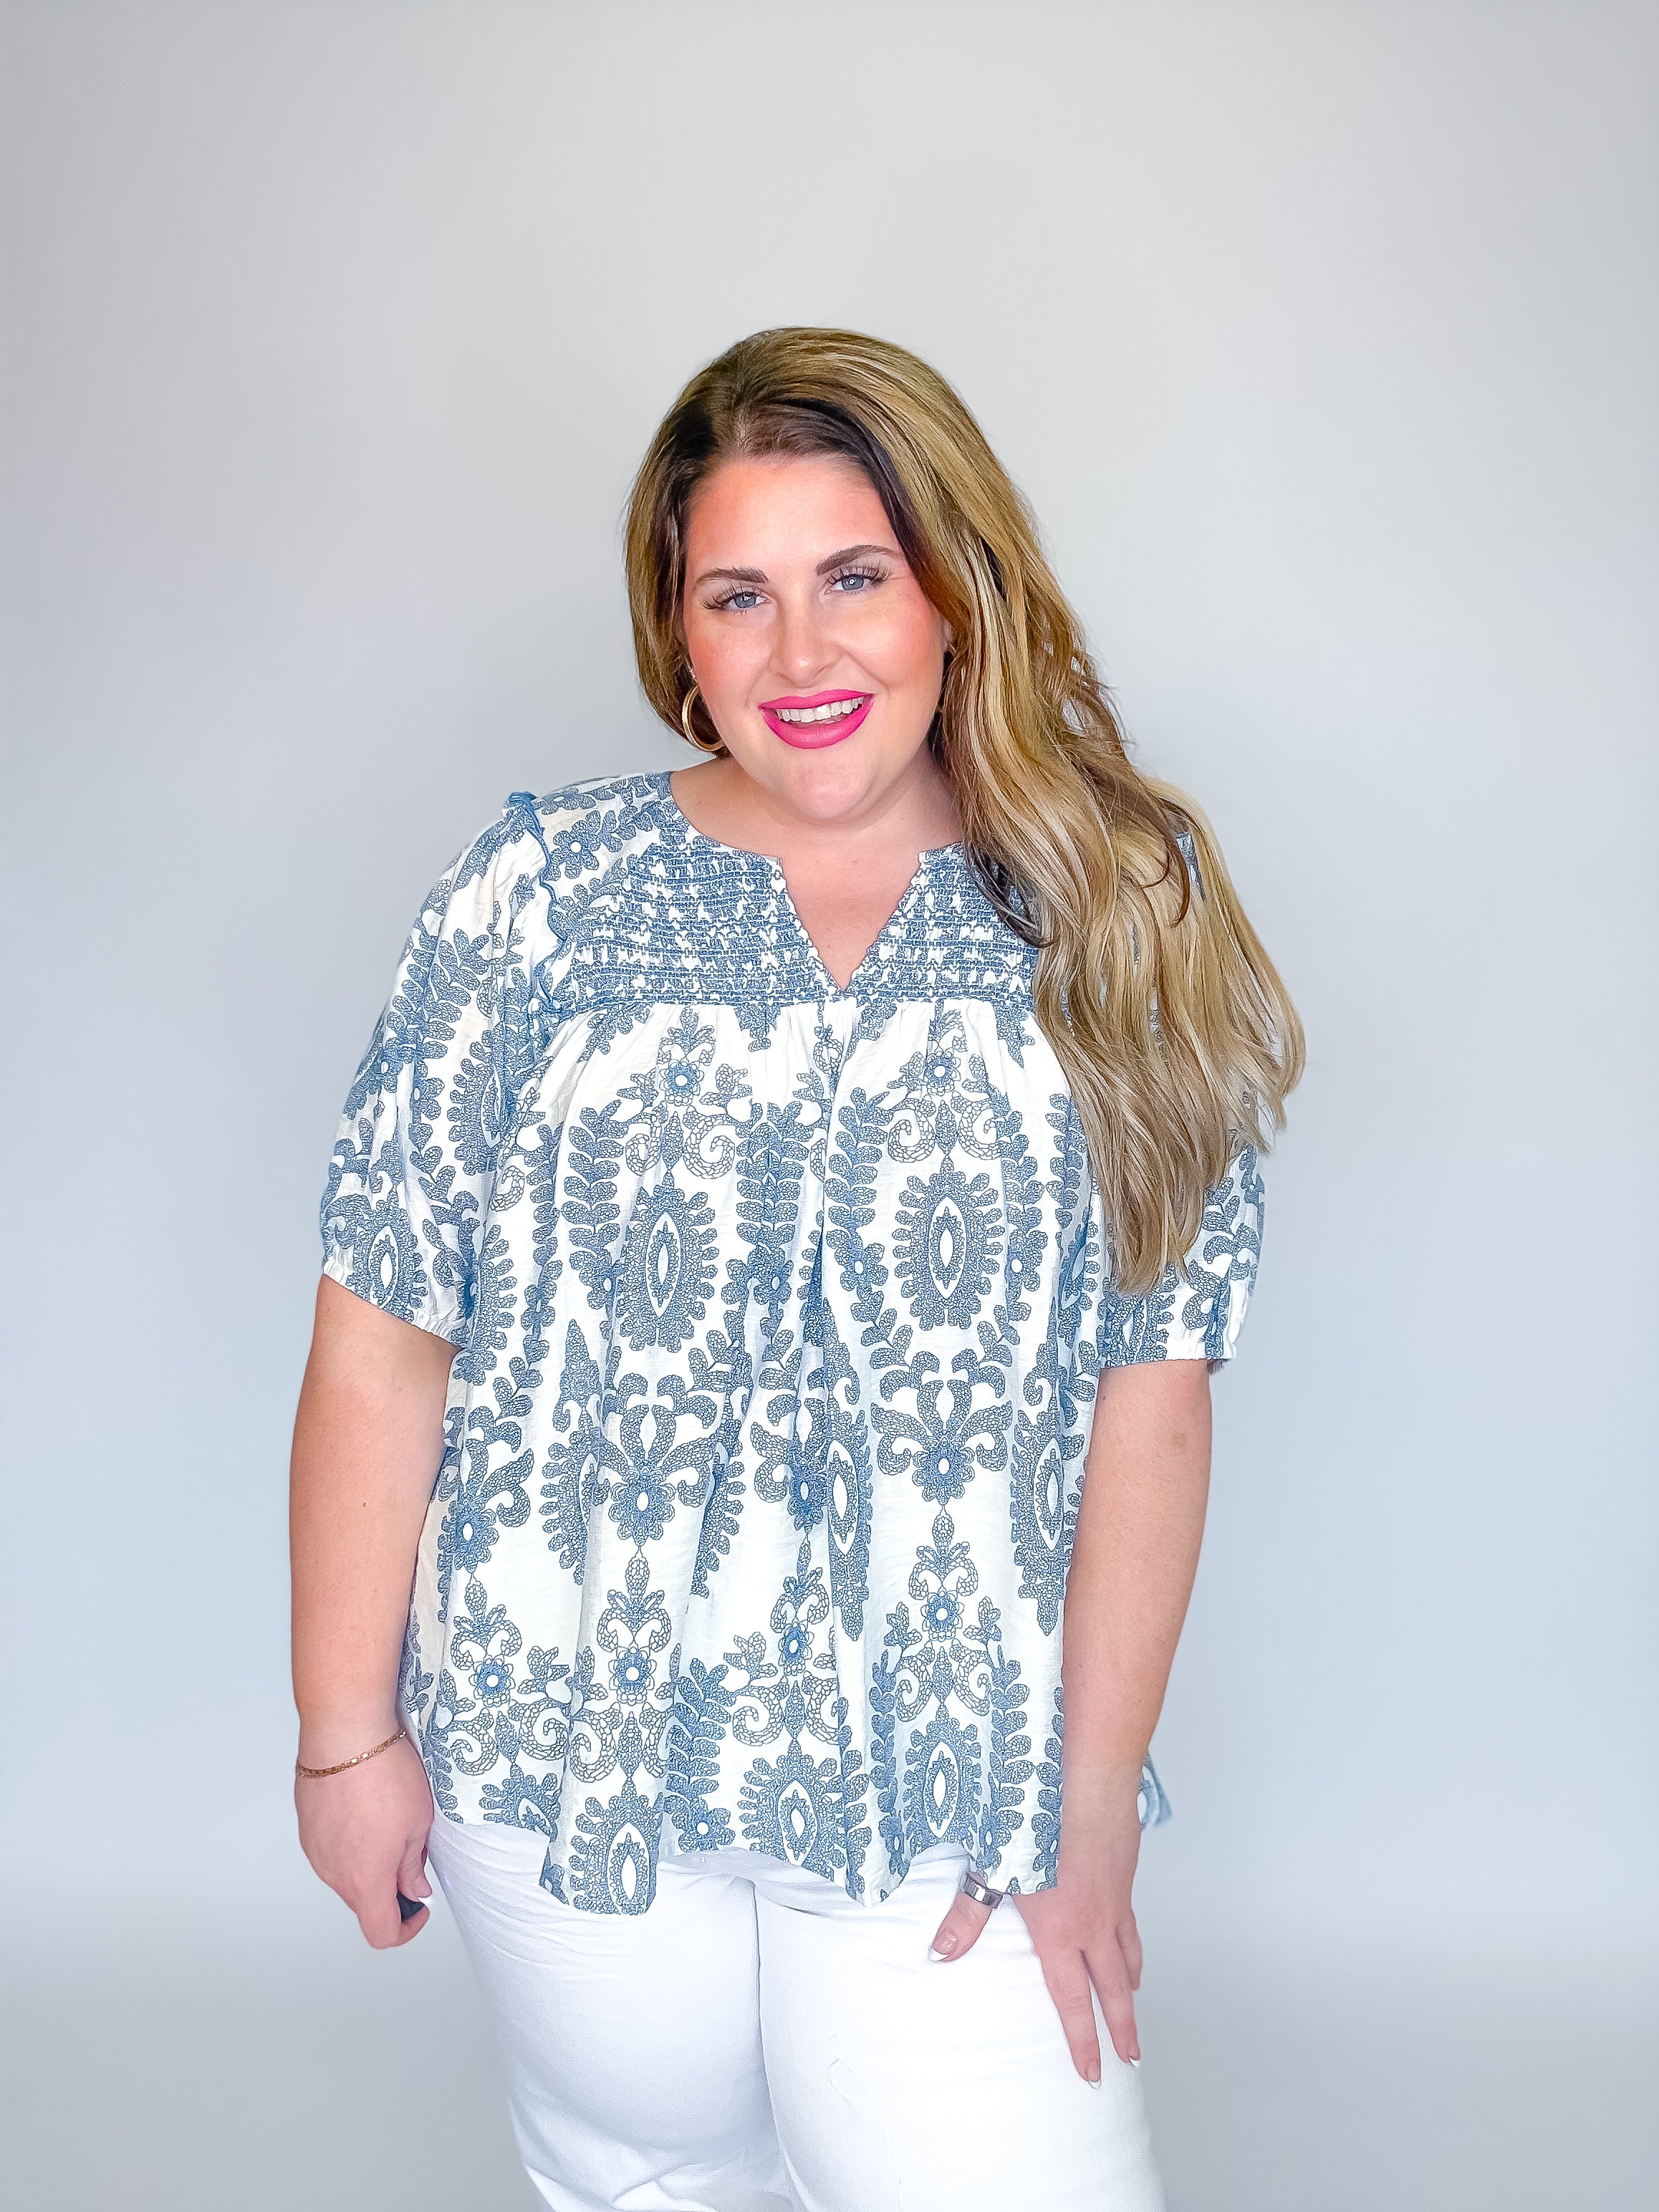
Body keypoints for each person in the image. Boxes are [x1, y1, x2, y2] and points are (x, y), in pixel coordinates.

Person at [291, 327, 1302, 2212]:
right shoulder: (537, 900)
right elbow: (381, 1334)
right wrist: (343, 1739)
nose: (801, 654)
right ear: (678, 637)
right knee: (642, 2183)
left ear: (955, 595)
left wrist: (1093, 1796)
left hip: (954, 1774)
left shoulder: (1119, 909)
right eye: (737, 597)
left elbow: (1153, 1391)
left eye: (854, 578)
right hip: (556, 1744)